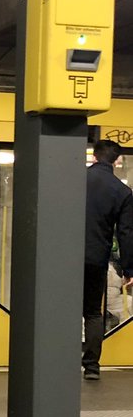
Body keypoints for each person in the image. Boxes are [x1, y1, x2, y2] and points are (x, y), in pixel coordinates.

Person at [83, 139, 133, 380]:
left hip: (64, 258)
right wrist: (128, 269)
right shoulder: (122, 191)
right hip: (96, 258)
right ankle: (91, 367)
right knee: (93, 312)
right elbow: (126, 233)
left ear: (94, 156)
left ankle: (59, 361)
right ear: (116, 161)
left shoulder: (74, 180)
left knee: (62, 309)